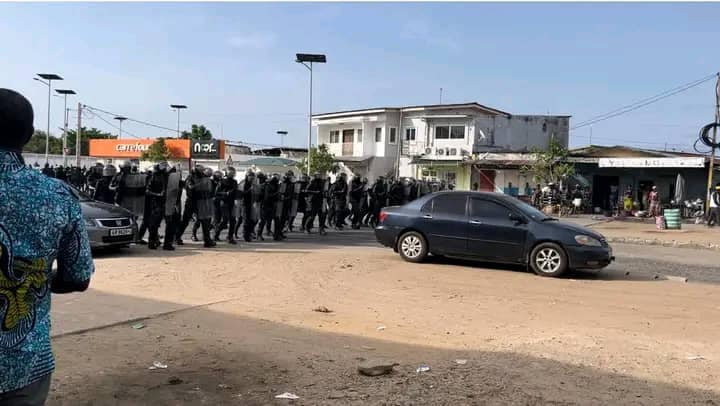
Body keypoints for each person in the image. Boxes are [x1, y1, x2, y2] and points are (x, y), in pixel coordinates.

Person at [0, 89, 94, 406]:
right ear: (28, 136)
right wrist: (32, 283)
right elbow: (78, 277)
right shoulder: (56, 195)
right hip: (24, 364)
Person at [145, 162, 167, 249]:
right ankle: (151, 241)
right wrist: (157, 194)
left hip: (162, 202)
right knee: (153, 223)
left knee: (157, 223)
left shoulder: (163, 176)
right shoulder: (153, 177)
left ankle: (155, 240)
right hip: (155, 203)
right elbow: (147, 191)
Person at [214, 167, 238, 244]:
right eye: (230, 172)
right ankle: (216, 233)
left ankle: (230, 237)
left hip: (232, 203)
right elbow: (216, 193)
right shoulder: (222, 181)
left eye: (233, 172)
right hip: (224, 202)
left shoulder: (235, 182)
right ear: (227, 173)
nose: (232, 174)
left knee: (233, 221)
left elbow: (235, 191)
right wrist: (226, 193)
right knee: (225, 220)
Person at [162, 165, 183, 251]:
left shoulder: (175, 181)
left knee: (173, 224)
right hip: (168, 205)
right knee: (170, 225)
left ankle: (170, 241)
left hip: (173, 205)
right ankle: (167, 243)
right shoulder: (166, 180)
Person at [258, 173, 280, 241]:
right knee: (263, 221)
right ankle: (259, 234)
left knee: (276, 220)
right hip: (266, 205)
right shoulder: (268, 186)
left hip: (273, 205)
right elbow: (267, 196)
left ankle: (276, 235)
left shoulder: (276, 186)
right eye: (275, 178)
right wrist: (277, 193)